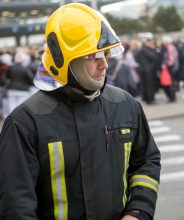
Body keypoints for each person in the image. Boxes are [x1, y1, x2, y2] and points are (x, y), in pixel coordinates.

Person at [0, 3, 161, 220]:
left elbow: (146, 162)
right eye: (92, 57)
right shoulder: (25, 122)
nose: (104, 64)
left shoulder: (126, 105)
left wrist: (138, 212)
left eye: (105, 54)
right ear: (65, 60)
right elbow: (15, 204)